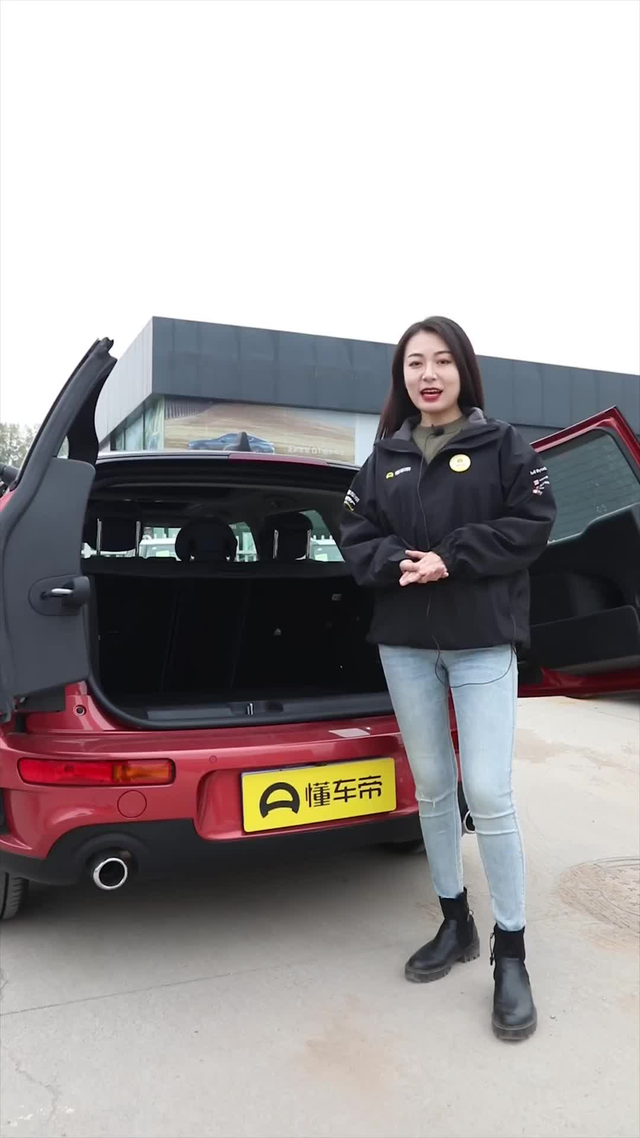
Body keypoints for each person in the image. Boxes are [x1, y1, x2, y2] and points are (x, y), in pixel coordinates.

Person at [340, 316, 556, 1041]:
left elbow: (532, 522)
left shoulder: (503, 445)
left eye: (440, 361)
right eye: (414, 364)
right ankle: (454, 922)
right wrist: (393, 560)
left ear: (463, 369)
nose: (427, 375)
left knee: (488, 791)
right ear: (401, 377)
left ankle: (511, 952)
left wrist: (452, 556)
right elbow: (353, 531)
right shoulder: (385, 457)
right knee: (433, 787)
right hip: (404, 646)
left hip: (481, 643)